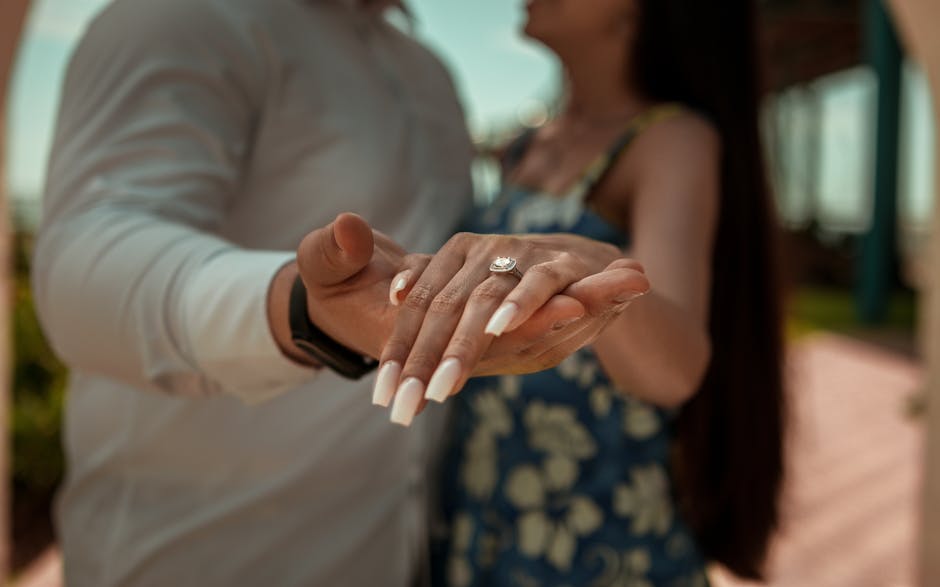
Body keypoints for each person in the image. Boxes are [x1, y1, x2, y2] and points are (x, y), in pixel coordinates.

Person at [31, 0, 649, 585]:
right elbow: (82, 266)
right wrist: (302, 309)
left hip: (408, 556)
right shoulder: (183, 15)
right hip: (196, 559)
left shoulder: (428, 73)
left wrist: (569, 260)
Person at [374, 0, 786, 584]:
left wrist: (600, 267)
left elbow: (675, 371)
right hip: (479, 516)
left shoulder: (670, 140)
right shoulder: (526, 145)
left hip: (597, 537)